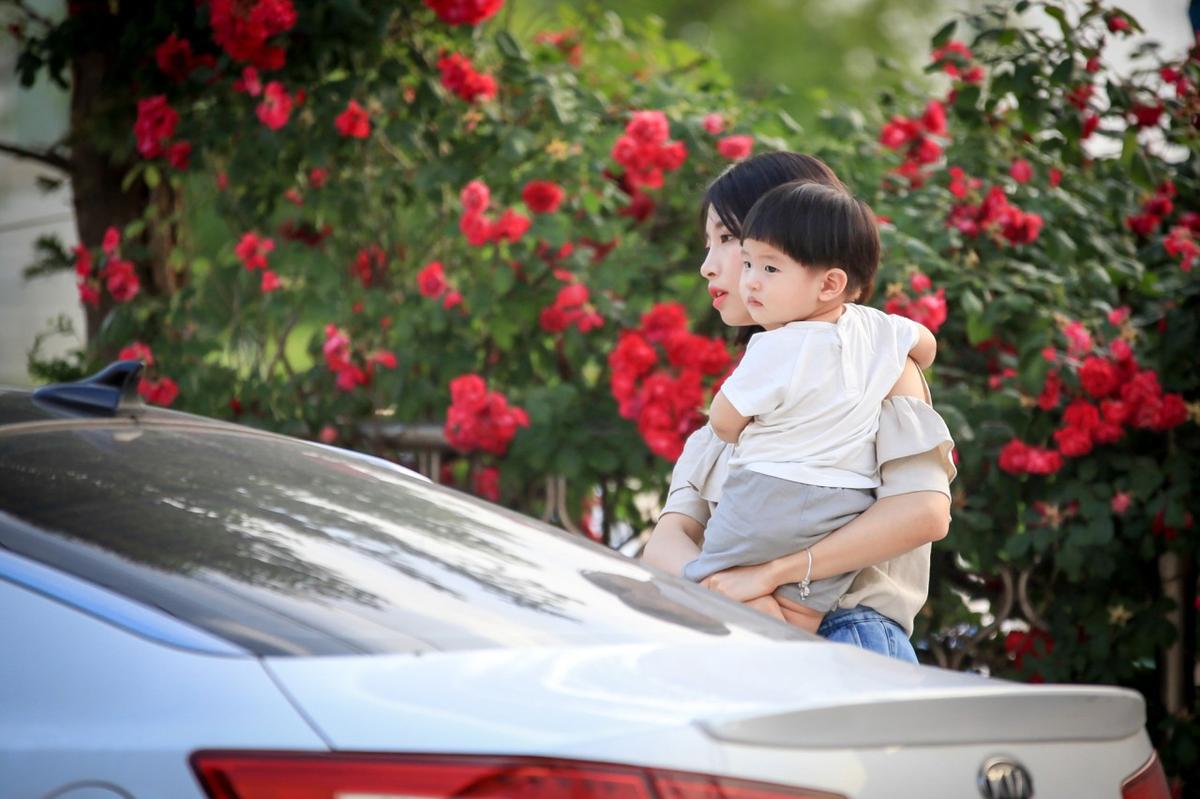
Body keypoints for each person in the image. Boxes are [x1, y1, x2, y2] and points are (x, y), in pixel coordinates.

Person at [641, 152, 956, 663]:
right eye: (709, 244)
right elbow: (669, 536)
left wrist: (771, 577)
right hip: (735, 634)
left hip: (848, 638)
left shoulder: (874, 363)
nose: (708, 265)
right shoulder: (747, 387)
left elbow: (922, 512)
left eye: (728, 239)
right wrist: (730, 591)